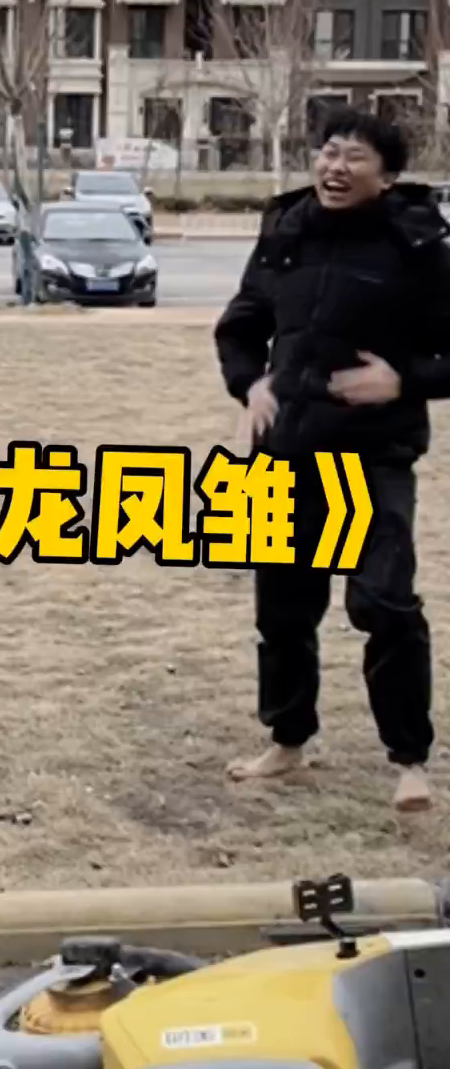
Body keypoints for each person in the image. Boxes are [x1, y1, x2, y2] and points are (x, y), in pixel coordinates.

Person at [214, 107, 450, 814]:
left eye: (354, 157)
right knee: (283, 610)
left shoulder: (418, 243)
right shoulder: (286, 231)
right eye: (328, 152)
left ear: (388, 176)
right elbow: (241, 325)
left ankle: (409, 760)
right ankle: (288, 741)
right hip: (283, 450)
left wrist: (404, 380)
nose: (335, 167)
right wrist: (250, 383)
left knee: (384, 602)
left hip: (372, 455)